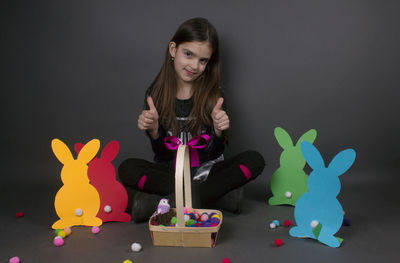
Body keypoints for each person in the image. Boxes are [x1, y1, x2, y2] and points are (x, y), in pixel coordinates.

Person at [118, 17, 265, 223]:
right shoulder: (156, 94)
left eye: (203, 60)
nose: (194, 65)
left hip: (207, 173)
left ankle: (158, 205)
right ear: (173, 50)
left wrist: (218, 131)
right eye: (188, 54)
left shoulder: (215, 94)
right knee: (127, 168)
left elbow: (214, 152)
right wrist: (154, 132)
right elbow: (162, 154)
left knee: (254, 159)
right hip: (171, 174)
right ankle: (217, 200)